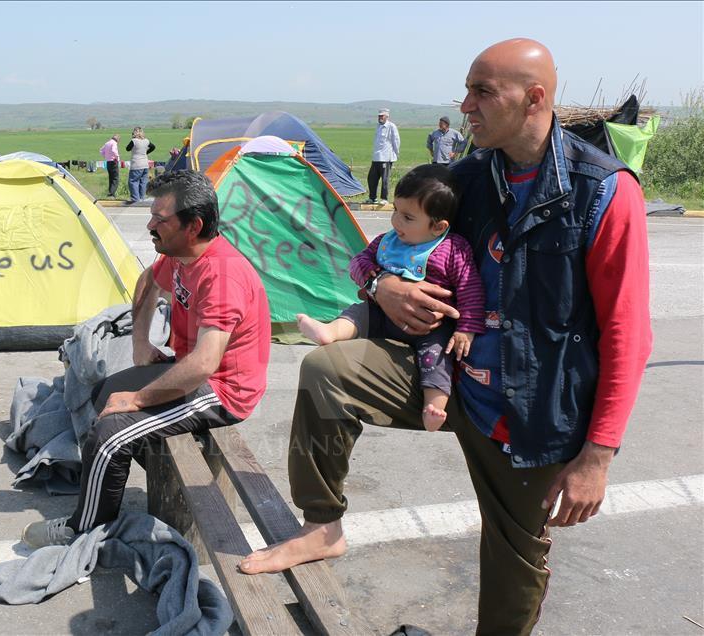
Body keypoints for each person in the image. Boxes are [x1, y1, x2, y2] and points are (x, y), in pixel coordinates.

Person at [240, 38, 652, 636]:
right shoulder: (466, 178)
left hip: (532, 412)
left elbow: (627, 334)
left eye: (483, 92)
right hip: (451, 376)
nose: (466, 106)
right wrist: (382, 284)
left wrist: (598, 454)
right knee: (328, 372)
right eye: (466, 90)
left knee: (514, 566)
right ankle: (322, 527)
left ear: (534, 98)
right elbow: (389, 244)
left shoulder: (604, 193)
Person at [20, 170, 271, 548]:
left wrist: (137, 400)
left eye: (160, 219)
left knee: (110, 433)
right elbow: (146, 282)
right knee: (104, 392)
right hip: (191, 370)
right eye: (151, 215)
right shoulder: (179, 254)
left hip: (223, 390)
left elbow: (204, 365)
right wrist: (140, 342)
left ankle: (84, 530)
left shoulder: (222, 276)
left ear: (193, 226)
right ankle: (130, 473)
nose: (150, 225)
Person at [296, 164, 484, 432]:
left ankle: (435, 407)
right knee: (356, 313)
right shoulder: (387, 241)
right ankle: (329, 331)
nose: (396, 222)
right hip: (381, 315)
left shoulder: (453, 249)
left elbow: (470, 289)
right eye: (395, 210)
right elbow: (358, 261)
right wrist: (369, 275)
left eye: (407, 217)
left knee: (438, 358)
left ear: (438, 226)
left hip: (429, 329)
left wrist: (467, 328)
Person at [366, 108, 400, 205]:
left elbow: (396, 141)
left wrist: (395, 154)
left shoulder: (391, 126)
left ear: (387, 116)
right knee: (371, 178)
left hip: (386, 157)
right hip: (376, 157)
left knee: (384, 179)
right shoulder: (378, 126)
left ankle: (384, 198)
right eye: (379, 116)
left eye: (382, 116)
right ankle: (372, 198)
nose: (380, 117)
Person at [125, 126, 155, 203]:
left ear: (134, 133)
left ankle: (135, 199)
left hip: (136, 164)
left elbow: (127, 149)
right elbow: (153, 147)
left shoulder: (134, 141)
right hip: (145, 164)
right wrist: (146, 152)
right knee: (143, 181)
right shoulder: (146, 141)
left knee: (133, 181)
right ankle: (142, 198)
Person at [99, 133, 121, 199]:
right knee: (115, 178)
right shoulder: (114, 143)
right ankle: (112, 193)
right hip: (114, 161)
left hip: (108, 162)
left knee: (111, 177)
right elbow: (114, 150)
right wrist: (117, 157)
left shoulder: (107, 143)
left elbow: (101, 151)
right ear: (117, 139)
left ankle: (110, 192)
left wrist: (106, 157)